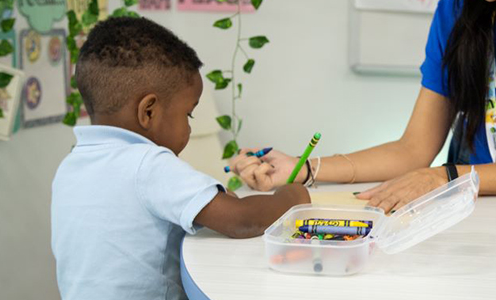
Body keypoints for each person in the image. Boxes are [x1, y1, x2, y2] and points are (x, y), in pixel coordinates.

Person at [231, 0, 496, 214]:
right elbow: (414, 148)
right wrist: (306, 169)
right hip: (491, 211)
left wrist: (443, 177)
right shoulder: (460, 10)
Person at [51, 17, 309, 299]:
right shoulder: (147, 163)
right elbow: (242, 220)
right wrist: (292, 196)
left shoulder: (70, 166)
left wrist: (218, 199)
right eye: (188, 114)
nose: (188, 127)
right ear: (148, 111)